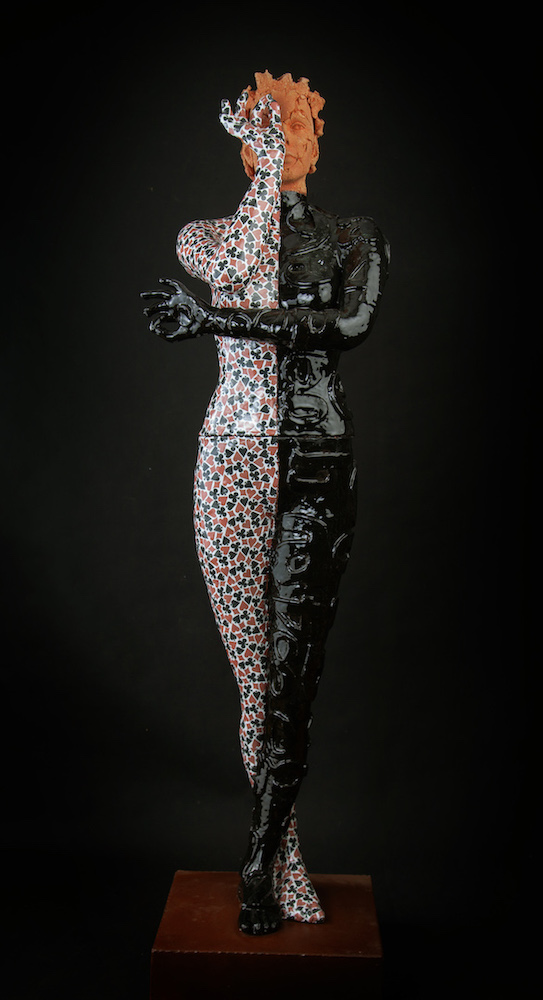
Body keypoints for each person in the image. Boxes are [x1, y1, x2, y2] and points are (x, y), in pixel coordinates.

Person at [142, 71, 389, 935]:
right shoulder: (209, 238)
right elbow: (248, 274)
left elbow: (345, 329)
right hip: (233, 459)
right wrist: (264, 168)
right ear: (246, 146)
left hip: (318, 462)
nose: (284, 138)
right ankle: (281, 862)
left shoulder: (355, 236)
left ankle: (262, 861)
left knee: (291, 680)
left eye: (296, 124)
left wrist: (211, 324)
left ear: (318, 140)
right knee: (255, 678)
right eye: (266, 127)